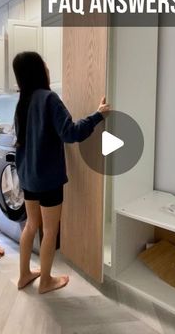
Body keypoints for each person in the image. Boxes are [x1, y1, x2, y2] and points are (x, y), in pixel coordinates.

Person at [13, 51, 110, 294]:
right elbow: (71, 133)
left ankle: (24, 274)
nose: (48, 68)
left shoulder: (22, 103)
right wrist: (98, 115)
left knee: (30, 226)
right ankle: (46, 281)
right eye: (45, 65)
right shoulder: (48, 98)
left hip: (28, 177)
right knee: (50, 230)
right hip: (48, 180)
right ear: (39, 71)